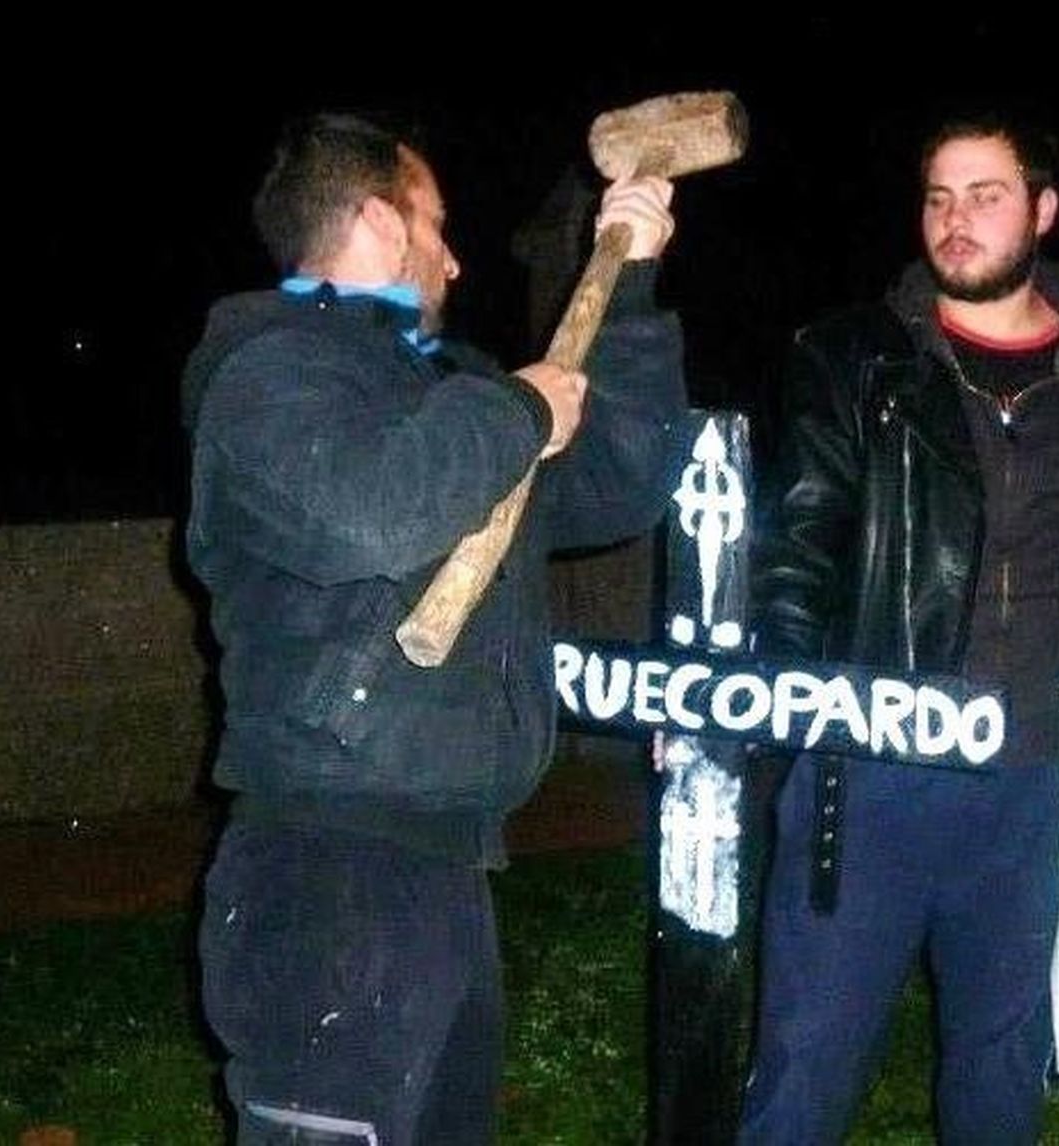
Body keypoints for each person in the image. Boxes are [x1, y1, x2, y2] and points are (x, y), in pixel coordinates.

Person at [182, 111, 684, 1144]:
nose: (455, 255)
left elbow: (619, 486)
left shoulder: (448, 390)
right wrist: (516, 412)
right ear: (375, 219)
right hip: (326, 877)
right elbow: (369, 510)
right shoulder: (268, 373)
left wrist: (626, 282)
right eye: (437, 223)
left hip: (448, 872)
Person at [736, 114, 1059, 1143]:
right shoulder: (852, 359)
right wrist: (789, 710)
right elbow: (796, 544)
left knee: (1001, 1069)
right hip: (867, 771)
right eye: (938, 197)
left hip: (1037, 774)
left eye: (985, 195)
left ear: (1042, 210)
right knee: (804, 1065)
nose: (955, 220)